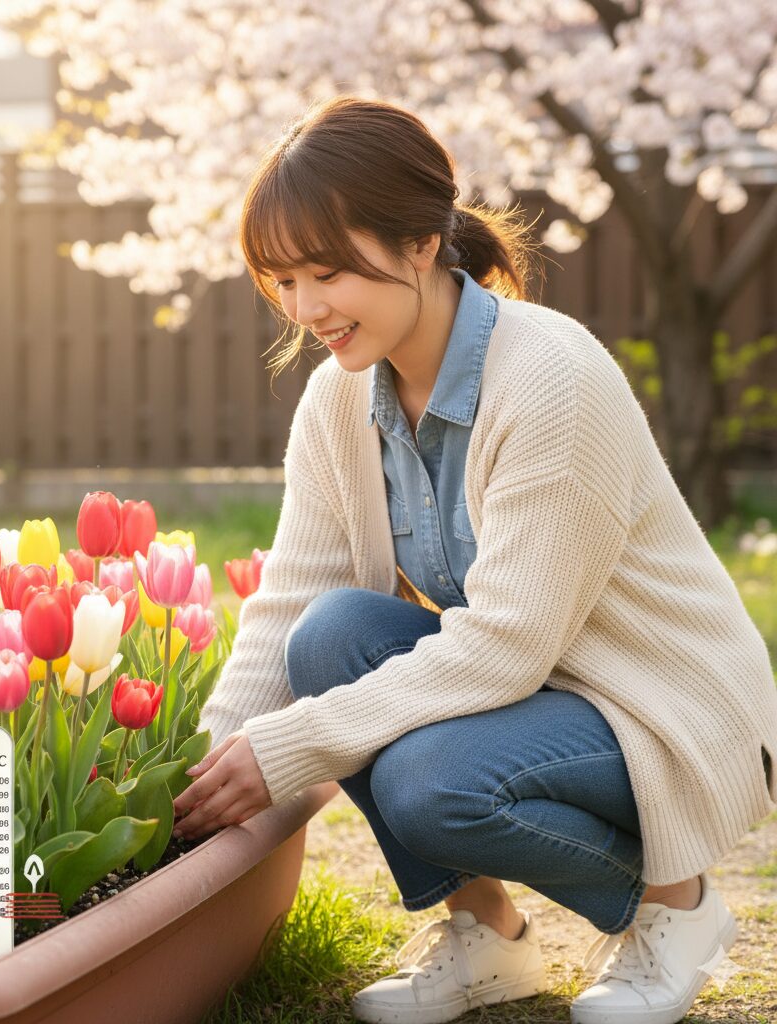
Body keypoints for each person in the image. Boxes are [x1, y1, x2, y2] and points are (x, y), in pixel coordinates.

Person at [169, 96, 777, 1024]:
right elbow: (290, 603)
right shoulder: (342, 403)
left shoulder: (549, 379)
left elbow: (505, 646)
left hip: (664, 703)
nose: (305, 309)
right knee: (332, 633)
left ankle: (677, 911)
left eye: (327, 272)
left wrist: (289, 748)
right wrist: (210, 774)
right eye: (283, 281)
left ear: (421, 243)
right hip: (542, 696)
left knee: (431, 783)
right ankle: (488, 938)